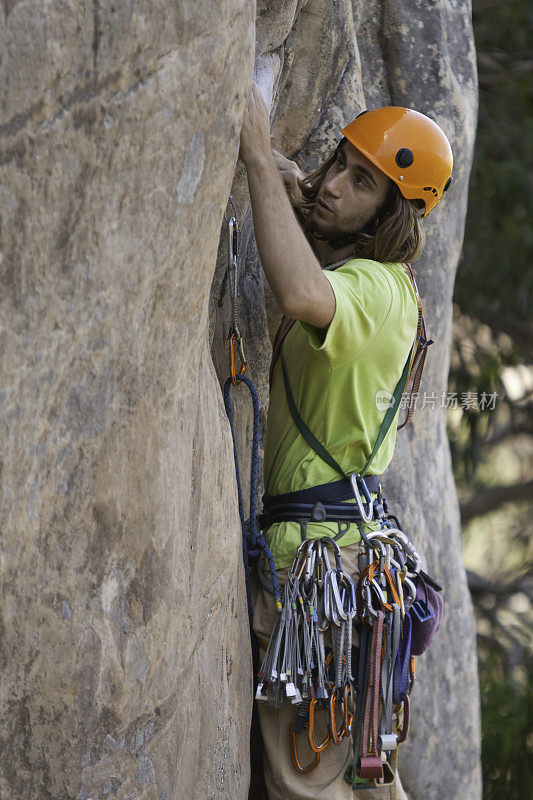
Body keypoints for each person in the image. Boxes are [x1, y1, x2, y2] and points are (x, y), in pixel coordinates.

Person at [238, 83, 453, 800]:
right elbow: (312, 208)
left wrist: (256, 161)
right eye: (338, 164)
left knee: (309, 782)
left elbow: (302, 295)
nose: (332, 185)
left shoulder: (374, 288)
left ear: (394, 211)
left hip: (317, 571)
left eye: (360, 181)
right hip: (350, 565)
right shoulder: (385, 285)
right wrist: (293, 181)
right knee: (358, 780)